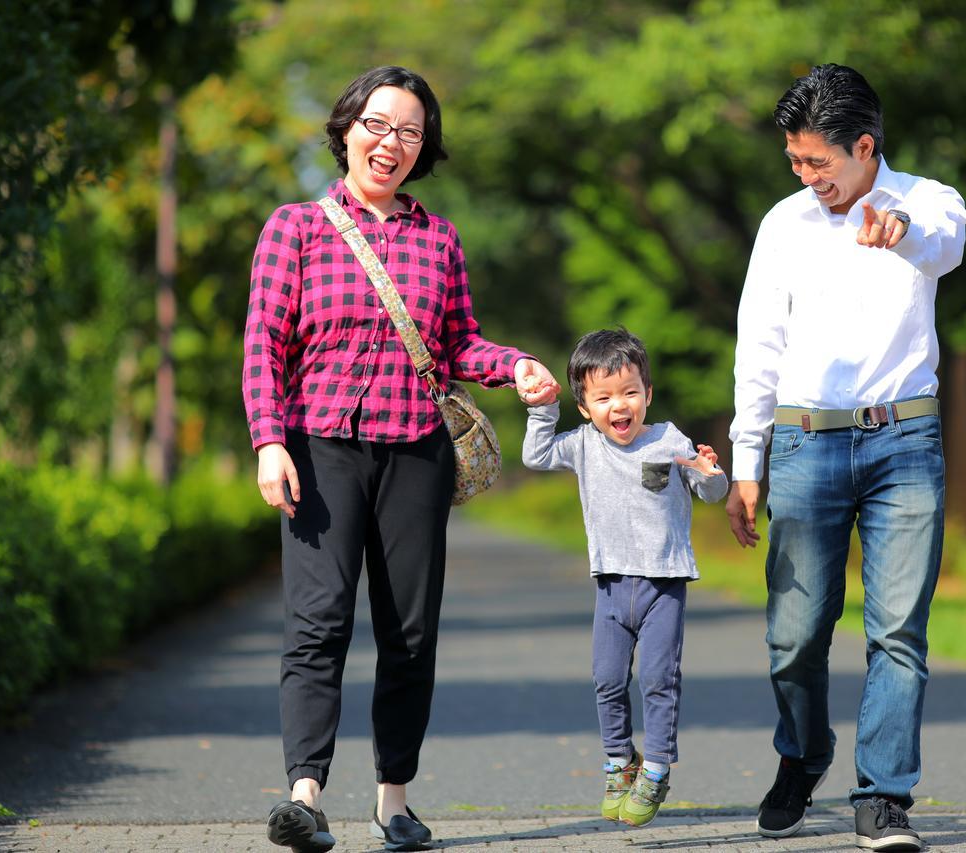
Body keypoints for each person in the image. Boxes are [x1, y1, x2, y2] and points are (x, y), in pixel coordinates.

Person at [243, 65, 559, 853]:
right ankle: (305, 796)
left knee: (409, 631)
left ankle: (394, 801)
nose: (392, 143)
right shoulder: (296, 228)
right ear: (347, 127)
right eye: (378, 125)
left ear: (425, 149)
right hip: (320, 448)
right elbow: (264, 344)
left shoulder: (437, 238)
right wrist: (269, 439)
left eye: (411, 132)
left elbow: (457, 342)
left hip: (416, 452)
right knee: (318, 620)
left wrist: (513, 364)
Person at [725, 64, 966, 851]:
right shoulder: (783, 224)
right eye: (795, 161)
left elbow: (943, 245)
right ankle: (804, 751)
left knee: (898, 628)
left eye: (818, 163)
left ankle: (884, 794)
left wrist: (902, 231)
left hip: (905, 440)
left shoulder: (925, 202)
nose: (805, 177)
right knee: (796, 632)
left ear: (865, 147)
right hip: (803, 440)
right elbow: (758, 348)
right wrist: (746, 461)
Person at [522, 328, 728, 828]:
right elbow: (536, 455)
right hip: (612, 585)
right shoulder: (584, 445)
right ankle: (620, 762)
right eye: (604, 396)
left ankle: (656, 769)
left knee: (659, 679)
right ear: (586, 406)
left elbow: (713, 494)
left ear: (648, 395)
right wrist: (540, 411)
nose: (620, 405)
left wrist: (709, 472)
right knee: (607, 679)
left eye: (630, 392)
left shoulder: (669, 438)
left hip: (663, 584)